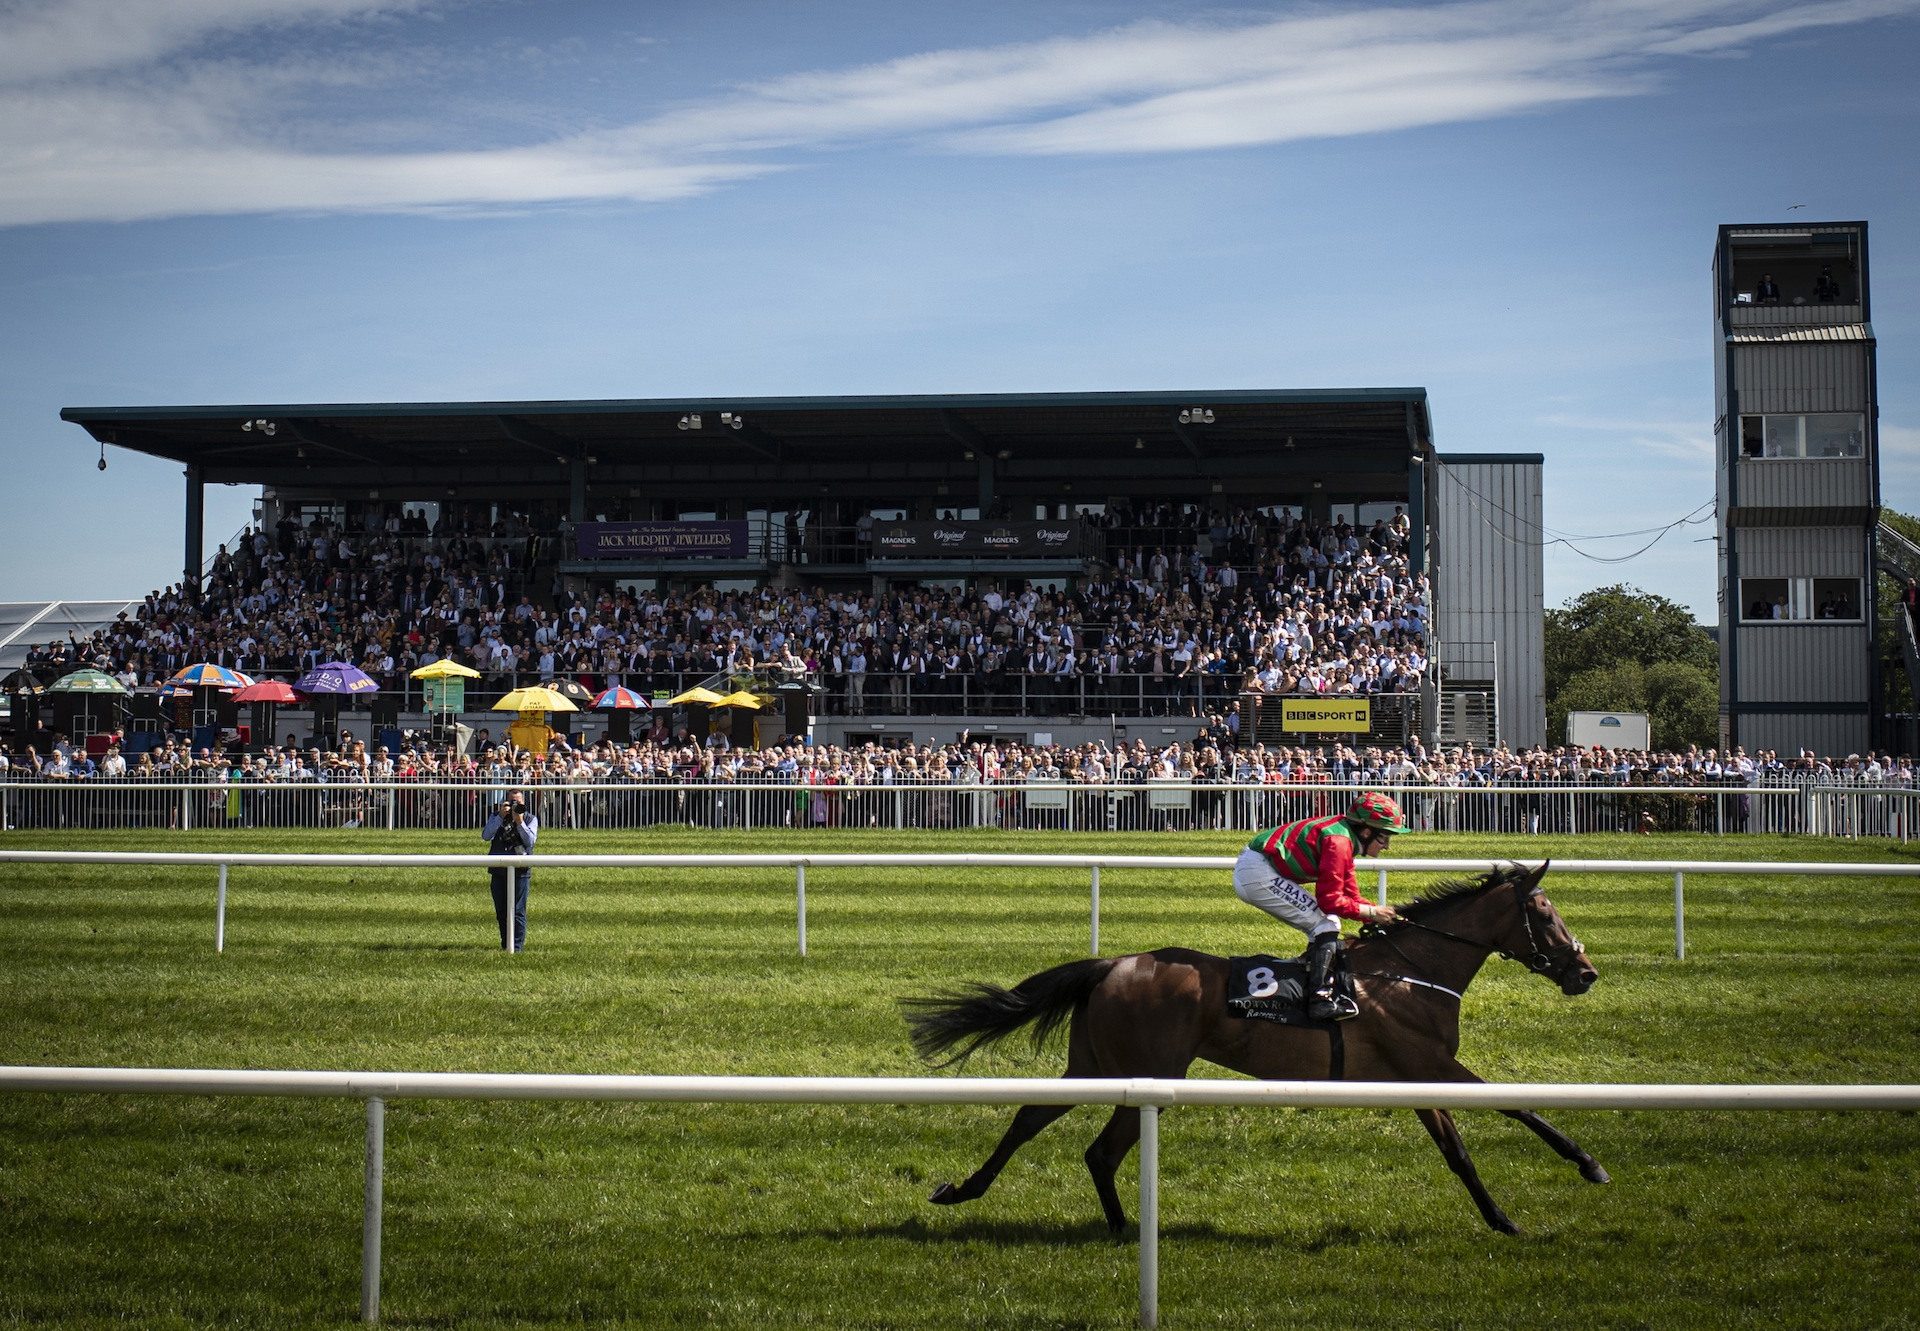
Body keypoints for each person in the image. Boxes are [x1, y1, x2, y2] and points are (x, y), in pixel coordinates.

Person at [1233, 791, 1407, 1020]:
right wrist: (1372, 912)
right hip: (1257, 874)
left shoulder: (1345, 837)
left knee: (1328, 922)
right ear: (1366, 832)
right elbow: (1330, 901)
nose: (1387, 847)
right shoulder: (1339, 842)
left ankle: (1308, 977)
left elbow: (1350, 894)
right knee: (1325, 924)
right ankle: (1319, 999)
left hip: (1261, 867)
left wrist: (1381, 915)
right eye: (1385, 837)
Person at [482, 786, 538, 951]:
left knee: (518, 911)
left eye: (518, 802)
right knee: (501, 911)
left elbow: (530, 842)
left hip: (521, 869)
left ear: (524, 803)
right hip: (498, 868)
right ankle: (506, 944)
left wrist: (519, 822)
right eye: (511, 802)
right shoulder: (496, 816)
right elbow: (486, 836)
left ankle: (517, 947)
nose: (515, 805)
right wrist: (500, 816)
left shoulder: (530, 819)